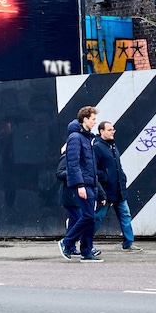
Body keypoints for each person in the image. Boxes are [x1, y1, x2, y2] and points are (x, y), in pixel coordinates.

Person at [58, 106, 103, 262]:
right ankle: (67, 241)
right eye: (93, 119)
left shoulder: (87, 138)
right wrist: (79, 185)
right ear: (85, 119)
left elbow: (89, 165)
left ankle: (86, 252)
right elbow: (73, 163)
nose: (95, 122)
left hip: (91, 184)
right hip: (83, 184)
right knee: (88, 216)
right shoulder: (76, 137)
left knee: (90, 218)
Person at [93, 121, 143, 252]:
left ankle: (128, 243)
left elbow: (117, 167)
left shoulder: (113, 146)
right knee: (98, 216)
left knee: (125, 215)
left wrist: (122, 177)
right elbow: (92, 168)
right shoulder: (97, 147)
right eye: (109, 130)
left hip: (119, 189)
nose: (112, 132)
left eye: (113, 130)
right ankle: (86, 241)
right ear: (101, 131)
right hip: (106, 190)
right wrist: (105, 177)